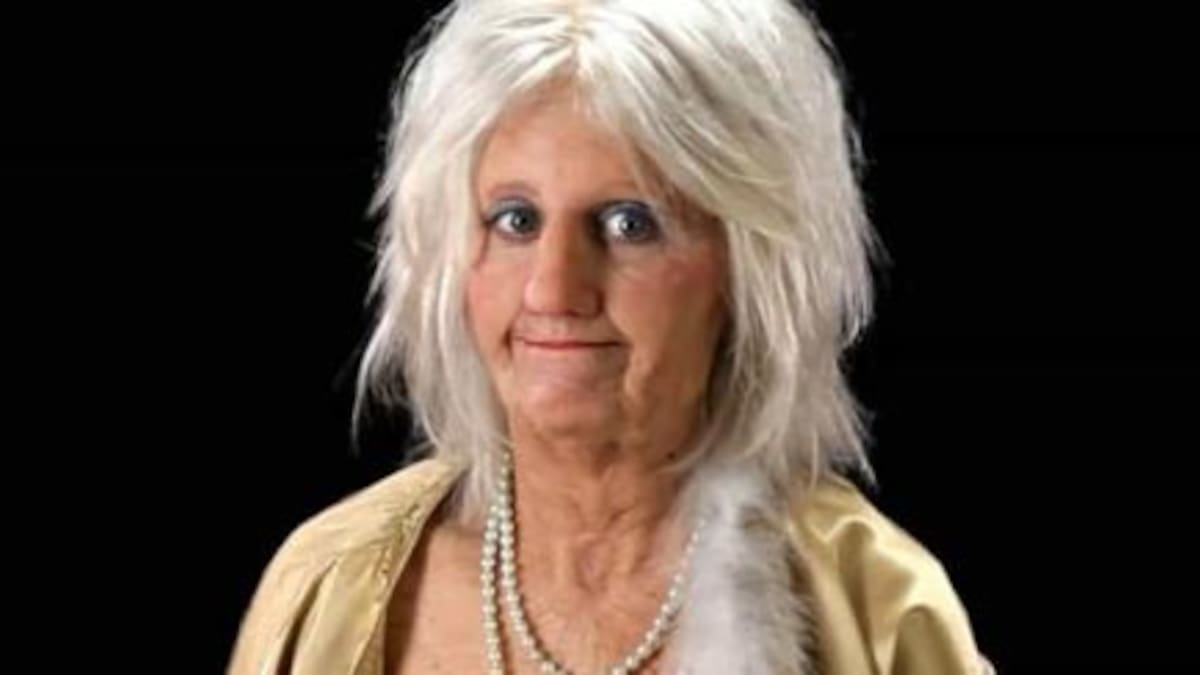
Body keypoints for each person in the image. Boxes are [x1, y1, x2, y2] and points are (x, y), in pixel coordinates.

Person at [229, 1, 993, 673]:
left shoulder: (878, 609)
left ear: (750, 268)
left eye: (630, 223)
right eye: (515, 220)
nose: (554, 290)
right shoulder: (332, 584)